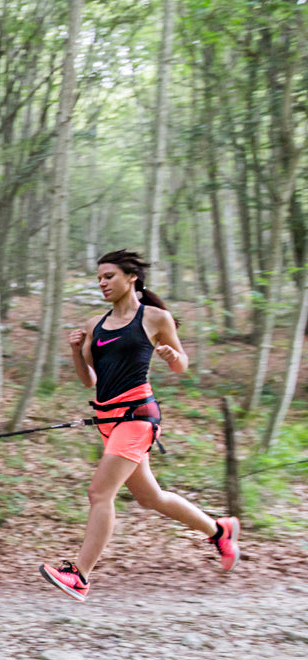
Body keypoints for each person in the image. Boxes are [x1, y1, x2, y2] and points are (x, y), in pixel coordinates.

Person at [39, 249, 240, 601]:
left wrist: (174, 357)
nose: (102, 283)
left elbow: (181, 366)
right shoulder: (94, 325)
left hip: (137, 416)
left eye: (109, 276)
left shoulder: (155, 318)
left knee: (100, 493)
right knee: (151, 497)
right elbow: (88, 380)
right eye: (99, 278)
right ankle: (218, 530)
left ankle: (79, 575)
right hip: (107, 419)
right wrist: (75, 351)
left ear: (131, 277)